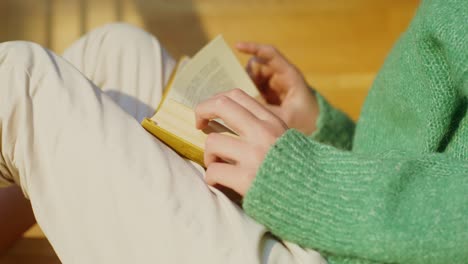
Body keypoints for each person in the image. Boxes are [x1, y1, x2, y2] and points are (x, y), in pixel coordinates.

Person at [0, 0, 466, 263]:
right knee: (114, 54)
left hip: (341, 251)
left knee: (19, 81)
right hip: (351, 228)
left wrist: (307, 181)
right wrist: (327, 136)